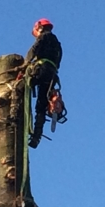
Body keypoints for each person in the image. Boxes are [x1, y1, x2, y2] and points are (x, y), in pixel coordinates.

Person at [26, 19, 62, 148]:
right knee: (41, 106)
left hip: (41, 70)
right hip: (51, 75)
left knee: (20, 87)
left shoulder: (44, 37)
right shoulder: (57, 44)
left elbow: (34, 50)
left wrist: (25, 64)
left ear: (40, 27)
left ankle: (14, 112)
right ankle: (36, 137)